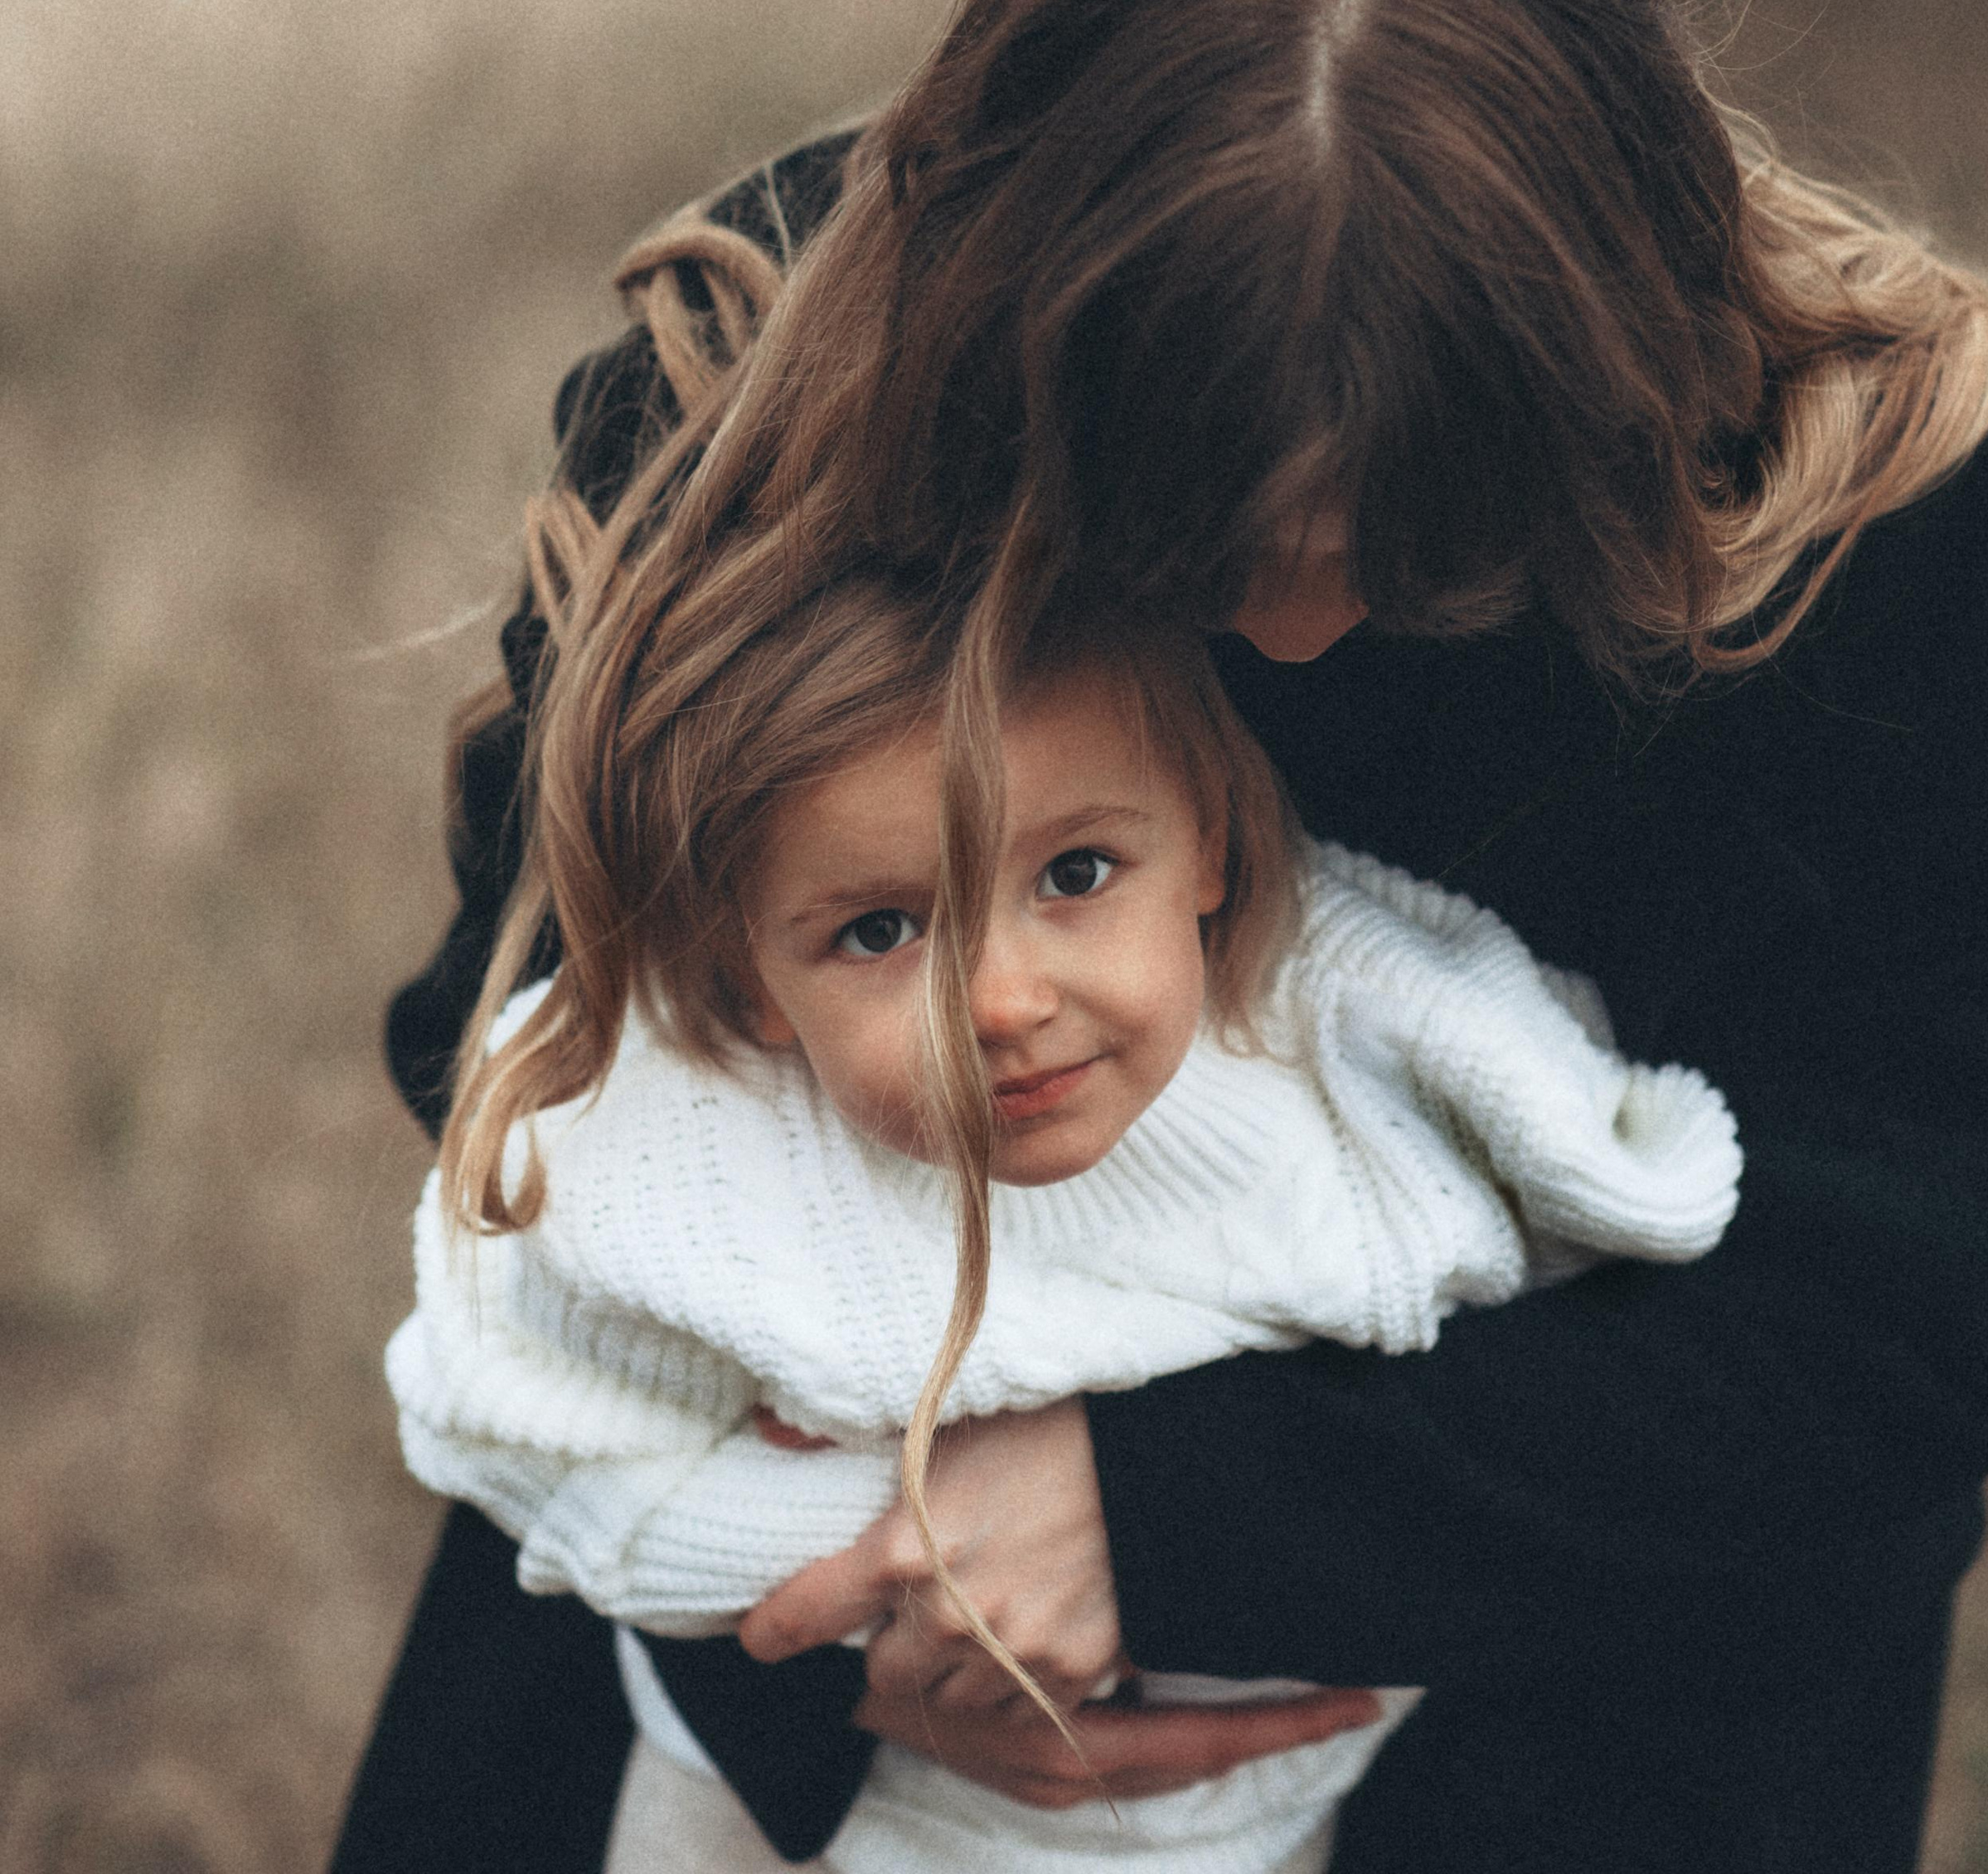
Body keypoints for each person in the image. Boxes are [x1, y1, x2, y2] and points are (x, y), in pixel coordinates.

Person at [333, 0, 1988, 1874]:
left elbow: (1903, 1298)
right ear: (1008, 353)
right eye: (1183, 539)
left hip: (1607, 1659)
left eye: (1430, 554)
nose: (1295, 623)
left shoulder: (1855, 528)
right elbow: (528, 1069)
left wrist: (1162, 1520)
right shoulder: (753, 402)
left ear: (1620, 371)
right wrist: (822, 1598)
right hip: (793, 1586)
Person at [384, 551, 1741, 1874]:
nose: (1003, 1001)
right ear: (745, 985)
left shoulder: (1344, 1065)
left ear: (1208, 837)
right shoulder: (699, 1154)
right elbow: (514, 1424)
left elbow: (1634, 1194)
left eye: (1076, 876)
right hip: (770, 1827)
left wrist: (1196, 1515)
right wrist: (872, 1551)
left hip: (1226, 1831)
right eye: (879, 931)